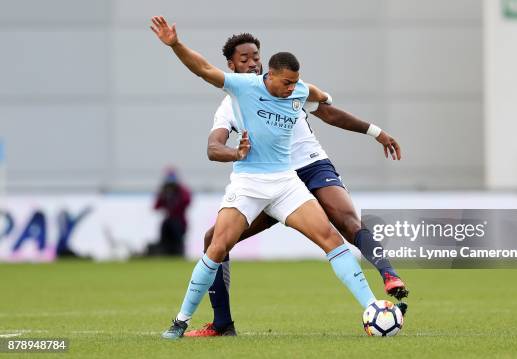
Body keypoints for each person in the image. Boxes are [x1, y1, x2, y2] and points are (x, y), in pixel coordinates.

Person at [150, 16, 382, 339]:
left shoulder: (297, 89)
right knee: (216, 246)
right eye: (244, 59)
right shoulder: (240, 88)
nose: (291, 90)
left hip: (286, 183)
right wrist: (175, 44)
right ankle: (180, 321)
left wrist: (328, 99)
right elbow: (203, 70)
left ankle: (373, 307)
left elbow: (320, 99)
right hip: (249, 184)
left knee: (330, 237)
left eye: (255, 57)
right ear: (265, 74)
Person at [152, 168, 191, 256]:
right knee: (165, 229)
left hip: (179, 221)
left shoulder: (181, 191)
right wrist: (163, 195)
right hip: (168, 221)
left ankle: (179, 253)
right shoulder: (164, 192)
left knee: (177, 237)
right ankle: (164, 253)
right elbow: (156, 206)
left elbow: (187, 201)